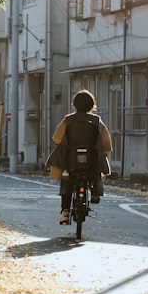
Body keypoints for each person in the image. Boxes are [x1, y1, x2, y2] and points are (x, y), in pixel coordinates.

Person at [46, 89, 112, 224]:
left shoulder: (68, 120)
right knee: (96, 171)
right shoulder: (96, 120)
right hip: (91, 160)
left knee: (67, 180)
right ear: (91, 105)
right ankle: (95, 193)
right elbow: (106, 142)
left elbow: (57, 138)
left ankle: (65, 212)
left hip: (71, 160)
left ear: (74, 104)